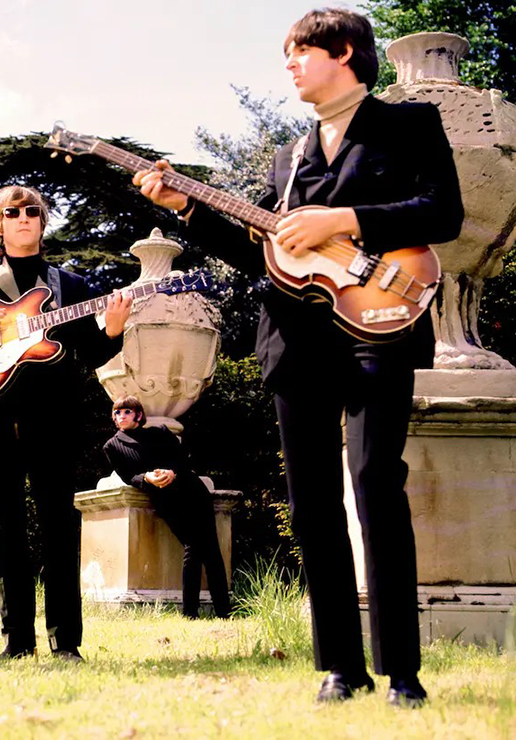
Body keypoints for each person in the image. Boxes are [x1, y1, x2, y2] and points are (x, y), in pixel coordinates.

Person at [132, 8, 463, 707]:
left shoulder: (408, 125)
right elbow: (253, 255)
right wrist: (185, 209)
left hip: (381, 328)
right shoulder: (288, 158)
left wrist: (347, 220)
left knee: (376, 485)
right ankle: (342, 667)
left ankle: (403, 672)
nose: (288, 66)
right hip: (294, 342)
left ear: (342, 50)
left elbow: (443, 213)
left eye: (298, 52)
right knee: (312, 507)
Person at [0, 185, 132, 661]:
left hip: (53, 420)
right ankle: (16, 642)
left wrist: (113, 327)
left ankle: (66, 643)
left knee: (59, 530)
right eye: (12, 212)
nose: (23, 217)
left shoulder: (67, 285)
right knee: (5, 532)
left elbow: (92, 352)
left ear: (42, 221)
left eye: (32, 211)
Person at [103, 395, 230, 619]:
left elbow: (183, 459)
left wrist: (172, 472)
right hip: (166, 500)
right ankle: (190, 612)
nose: (121, 416)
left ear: (138, 415)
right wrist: (148, 478)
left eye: (127, 412)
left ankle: (222, 611)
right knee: (193, 546)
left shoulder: (159, 432)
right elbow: (128, 476)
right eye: (117, 413)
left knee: (210, 549)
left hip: (193, 491)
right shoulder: (112, 446)